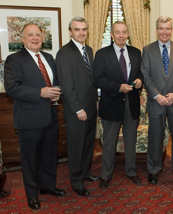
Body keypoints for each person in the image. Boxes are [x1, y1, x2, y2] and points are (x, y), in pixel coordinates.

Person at [4, 23, 65, 210]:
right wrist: (41, 92)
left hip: (51, 116)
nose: (35, 38)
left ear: (43, 37)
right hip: (29, 119)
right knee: (30, 160)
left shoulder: (49, 57)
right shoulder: (14, 59)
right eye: (30, 35)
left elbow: (55, 83)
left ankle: (48, 187)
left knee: (49, 156)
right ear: (22, 39)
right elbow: (12, 88)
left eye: (38, 34)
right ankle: (32, 195)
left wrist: (58, 92)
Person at [93, 21, 143, 189]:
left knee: (130, 141)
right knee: (109, 143)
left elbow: (141, 73)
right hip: (111, 104)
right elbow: (97, 79)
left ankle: (131, 172)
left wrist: (139, 80)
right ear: (112, 34)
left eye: (124, 32)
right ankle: (105, 176)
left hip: (132, 103)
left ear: (128, 33)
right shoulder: (101, 54)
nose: (121, 35)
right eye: (117, 32)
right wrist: (118, 87)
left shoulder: (136, 53)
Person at [141, 16, 173, 184]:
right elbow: (146, 75)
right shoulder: (147, 50)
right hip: (156, 102)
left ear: (171, 29)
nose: (164, 32)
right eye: (161, 28)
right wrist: (157, 95)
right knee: (155, 137)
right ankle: (153, 169)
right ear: (157, 30)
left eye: (167, 28)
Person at [56, 17, 99, 197]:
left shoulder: (88, 49)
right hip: (76, 111)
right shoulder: (64, 53)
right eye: (77, 30)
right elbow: (67, 85)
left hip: (90, 107)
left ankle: (85, 172)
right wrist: (78, 109)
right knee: (76, 147)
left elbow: (91, 80)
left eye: (84, 29)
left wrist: (96, 99)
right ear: (70, 32)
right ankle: (76, 182)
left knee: (89, 144)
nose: (81, 33)